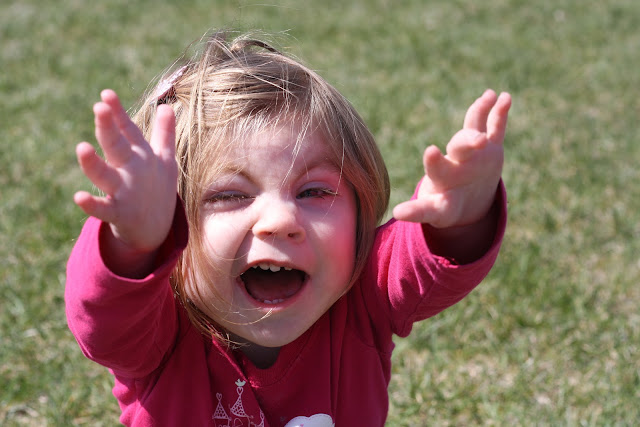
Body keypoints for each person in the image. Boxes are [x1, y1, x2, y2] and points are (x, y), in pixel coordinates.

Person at [66, 30, 511, 426]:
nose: (281, 220)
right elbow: (105, 322)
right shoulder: (155, 336)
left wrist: (462, 219)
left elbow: (421, 262)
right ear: (173, 226)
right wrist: (133, 246)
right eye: (230, 195)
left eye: (314, 192)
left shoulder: (361, 297)